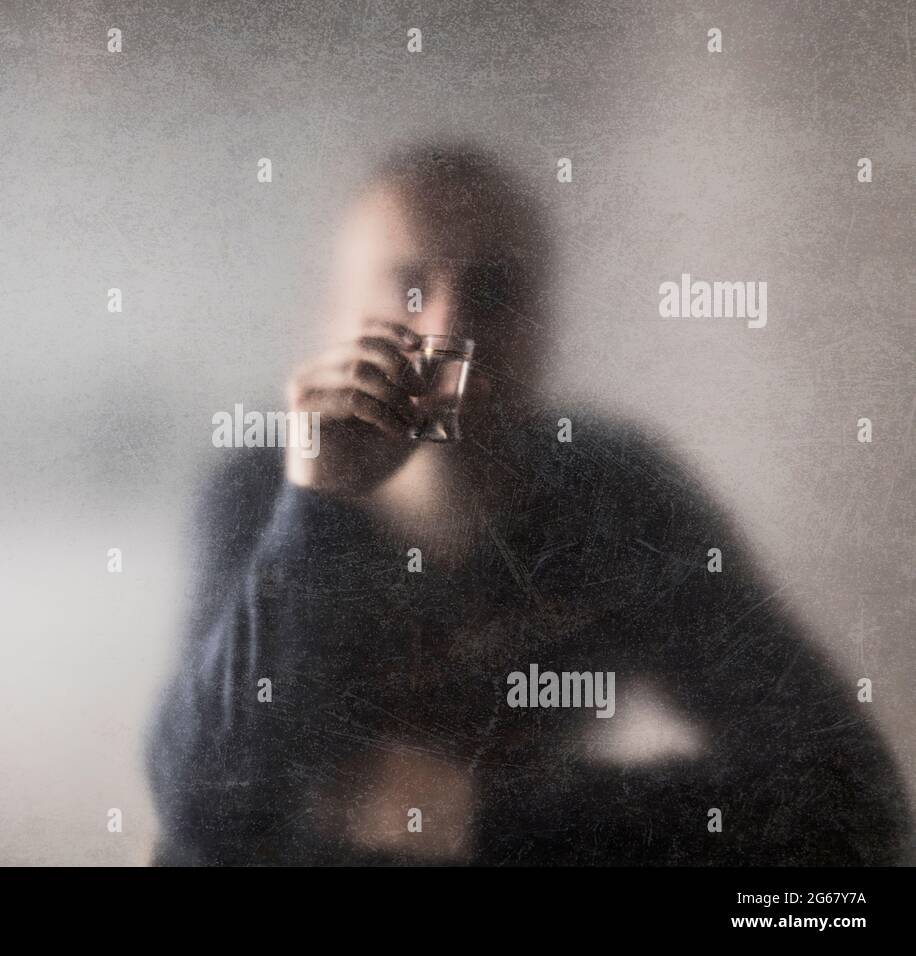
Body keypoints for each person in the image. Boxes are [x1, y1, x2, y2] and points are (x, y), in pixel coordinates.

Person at [145, 142, 910, 865]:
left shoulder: (620, 498)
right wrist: (311, 506)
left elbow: (853, 801)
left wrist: (486, 814)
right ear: (334, 318)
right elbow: (199, 809)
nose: (449, 331)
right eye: (408, 286)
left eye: (493, 293)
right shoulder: (260, 487)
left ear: (544, 326)